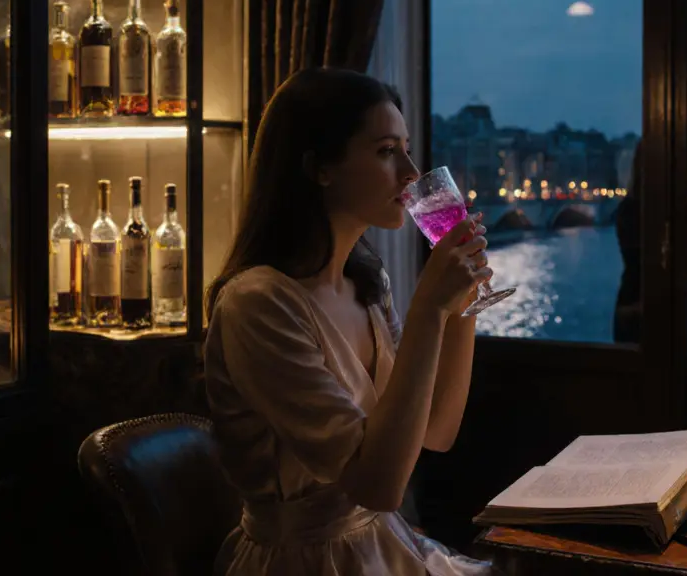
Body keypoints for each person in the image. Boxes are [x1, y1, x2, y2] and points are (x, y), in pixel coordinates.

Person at [204, 68, 496, 575]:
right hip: (306, 560)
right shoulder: (257, 304)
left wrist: (463, 303)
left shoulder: (368, 282)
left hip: (379, 542)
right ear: (320, 168)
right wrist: (430, 307)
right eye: (386, 151)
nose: (410, 171)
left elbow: (437, 431)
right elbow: (379, 486)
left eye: (406, 149)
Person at [613, 144, 687, 344]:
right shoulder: (640, 210)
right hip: (641, 310)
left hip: (638, 306)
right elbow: (656, 262)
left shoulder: (637, 208)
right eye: (684, 171)